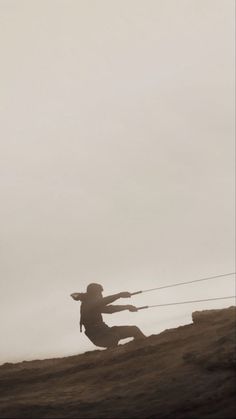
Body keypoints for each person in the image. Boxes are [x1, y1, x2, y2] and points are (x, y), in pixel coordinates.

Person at [71, 283, 146, 348]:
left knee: (134, 329)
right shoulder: (88, 304)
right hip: (100, 337)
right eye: (99, 293)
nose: (101, 295)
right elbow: (104, 302)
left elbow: (110, 309)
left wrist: (127, 307)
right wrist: (119, 295)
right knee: (114, 337)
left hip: (106, 332)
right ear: (94, 293)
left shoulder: (92, 304)